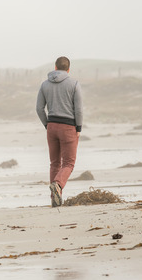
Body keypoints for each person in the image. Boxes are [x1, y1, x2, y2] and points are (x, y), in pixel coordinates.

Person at [36, 56, 83, 207]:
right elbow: (79, 110)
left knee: (54, 163)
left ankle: (54, 199)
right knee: (69, 163)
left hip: (52, 126)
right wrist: (79, 127)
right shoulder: (74, 84)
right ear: (68, 70)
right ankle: (58, 184)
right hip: (68, 127)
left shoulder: (44, 85)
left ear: (55, 68)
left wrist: (47, 124)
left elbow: (39, 109)